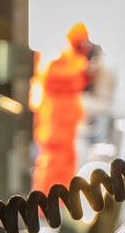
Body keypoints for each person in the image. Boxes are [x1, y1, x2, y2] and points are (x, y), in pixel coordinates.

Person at [29, 22, 91, 193]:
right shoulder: (58, 51)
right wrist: (80, 67)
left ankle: (62, 202)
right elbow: (51, 76)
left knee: (66, 160)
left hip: (65, 122)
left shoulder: (69, 53)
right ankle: (45, 207)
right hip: (55, 120)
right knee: (53, 162)